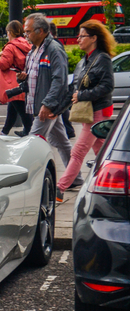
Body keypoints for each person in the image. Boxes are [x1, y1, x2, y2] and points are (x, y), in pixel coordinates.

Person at [17, 13, 82, 186]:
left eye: (28, 32)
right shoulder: (34, 49)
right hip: (40, 104)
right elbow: (37, 76)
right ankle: (75, 177)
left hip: (45, 107)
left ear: (41, 31)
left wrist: (48, 103)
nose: (26, 35)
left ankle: (28, 182)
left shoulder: (53, 49)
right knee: (61, 141)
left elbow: (59, 80)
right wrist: (23, 79)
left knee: (33, 143)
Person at [56, 20, 115, 202]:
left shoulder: (102, 59)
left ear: (94, 38)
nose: (78, 39)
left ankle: (59, 188)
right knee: (103, 152)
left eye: (82, 36)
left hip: (97, 112)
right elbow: (72, 89)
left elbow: (107, 86)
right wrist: (57, 110)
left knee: (78, 151)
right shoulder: (84, 61)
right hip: (87, 113)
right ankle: (111, 182)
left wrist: (82, 95)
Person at [0, 20, 33, 136]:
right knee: (13, 107)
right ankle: (5, 131)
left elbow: (3, 64)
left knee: (22, 110)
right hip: (22, 79)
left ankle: (30, 132)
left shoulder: (10, 47)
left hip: (12, 81)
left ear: (10, 32)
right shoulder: (26, 44)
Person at [50, 22, 76, 138]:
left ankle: (69, 131)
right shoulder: (58, 44)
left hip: (57, 82)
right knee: (61, 110)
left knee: (61, 108)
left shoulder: (54, 46)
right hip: (62, 82)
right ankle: (68, 131)